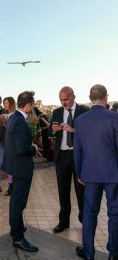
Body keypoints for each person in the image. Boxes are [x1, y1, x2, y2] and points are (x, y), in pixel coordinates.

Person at [74, 84, 118, 260]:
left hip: (90, 174)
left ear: (91, 98)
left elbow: (77, 150)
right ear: (106, 97)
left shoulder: (80, 120)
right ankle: (114, 253)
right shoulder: (114, 118)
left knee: (89, 213)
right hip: (113, 174)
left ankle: (88, 252)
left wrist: (79, 173)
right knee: (115, 213)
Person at [1, 91, 40, 252]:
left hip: (15, 166)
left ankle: (15, 228)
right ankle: (17, 238)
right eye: (33, 105)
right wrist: (35, 148)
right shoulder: (19, 121)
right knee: (19, 203)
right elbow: (22, 148)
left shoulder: (13, 118)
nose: (33, 108)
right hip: (21, 168)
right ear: (28, 105)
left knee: (15, 201)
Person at [50, 86, 88, 233]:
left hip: (79, 157)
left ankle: (84, 220)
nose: (63, 102)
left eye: (65, 99)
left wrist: (73, 130)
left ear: (74, 97)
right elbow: (49, 131)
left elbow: (89, 133)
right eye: (61, 99)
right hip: (62, 156)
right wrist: (54, 130)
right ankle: (64, 221)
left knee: (81, 191)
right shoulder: (57, 112)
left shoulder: (84, 111)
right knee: (63, 191)